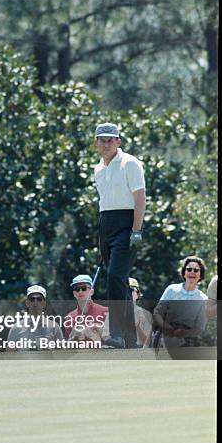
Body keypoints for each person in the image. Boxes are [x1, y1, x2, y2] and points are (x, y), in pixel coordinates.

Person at [94, 122, 146, 348]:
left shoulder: (130, 163)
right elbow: (104, 203)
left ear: (118, 141)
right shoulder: (98, 169)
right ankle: (130, 339)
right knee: (121, 282)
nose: (106, 144)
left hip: (127, 226)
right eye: (102, 140)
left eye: (110, 140)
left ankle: (115, 334)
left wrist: (136, 230)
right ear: (96, 142)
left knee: (115, 276)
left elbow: (140, 198)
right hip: (106, 225)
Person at [153, 256, 208, 349]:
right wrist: (166, 327)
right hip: (163, 334)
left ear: (200, 274)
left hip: (186, 340)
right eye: (189, 269)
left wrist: (185, 333)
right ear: (184, 273)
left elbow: (200, 328)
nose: (192, 272)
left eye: (196, 270)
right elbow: (157, 313)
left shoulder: (203, 299)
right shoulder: (171, 289)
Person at [6, 285, 63, 351]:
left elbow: (62, 354)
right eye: (32, 299)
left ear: (44, 303)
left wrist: (50, 352)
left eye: (39, 299)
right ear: (27, 303)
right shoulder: (16, 328)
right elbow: (9, 355)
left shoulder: (54, 327)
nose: (35, 302)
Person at [64, 274, 109, 345]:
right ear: (74, 293)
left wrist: (98, 330)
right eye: (77, 289)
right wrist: (72, 338)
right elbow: (67, 346)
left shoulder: (106, 312)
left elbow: (112, 340)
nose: (80, 291)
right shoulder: (69, 317)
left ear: (92, 291)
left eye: (84, 288)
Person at [129, 277, 153, 347]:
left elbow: (148, 343)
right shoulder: (113, 313)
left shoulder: (145, 314)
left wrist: (137, 327)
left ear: (137, 293)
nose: (128, 294)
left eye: (132, 290)